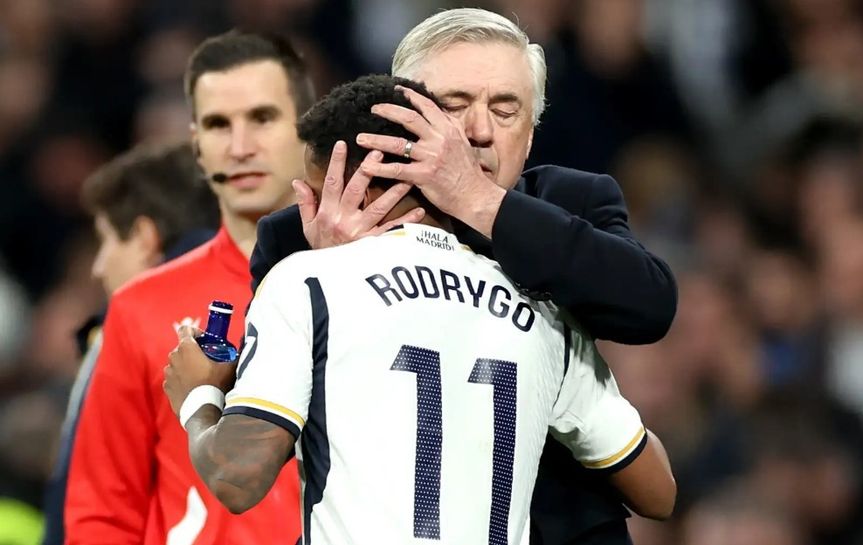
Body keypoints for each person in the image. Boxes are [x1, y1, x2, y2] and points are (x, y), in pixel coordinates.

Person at [164, 74, 676, 545]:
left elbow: (238, 477)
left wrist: (199, 397)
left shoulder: (308, 283)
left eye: (318, 193)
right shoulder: (542, 313)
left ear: (362, 185)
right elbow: (659, 493)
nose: (313, 214)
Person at [63, 32, 319, 545]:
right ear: (197, 146)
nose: (240, 147)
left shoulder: (368, 286)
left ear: (307, 131)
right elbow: (102, 514)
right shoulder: (139, 307)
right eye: (219, 124)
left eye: (262, 118)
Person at [42, 141, 219, 545]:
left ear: (143, 237)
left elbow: (98, 500)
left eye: (105, 240)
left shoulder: (130, 325)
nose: (98, 266)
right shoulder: (267, 300)